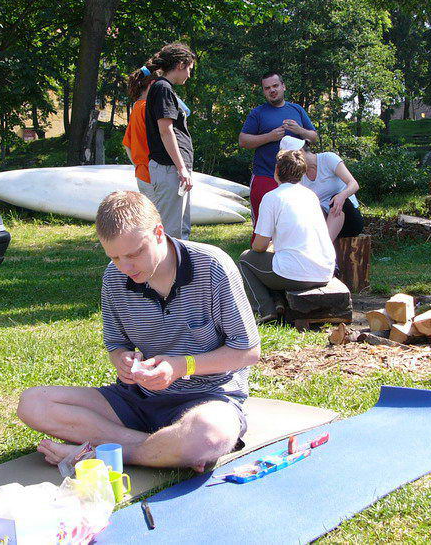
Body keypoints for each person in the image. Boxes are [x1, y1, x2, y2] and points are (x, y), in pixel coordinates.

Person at [17, 191, 260, 471]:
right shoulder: (114, 276)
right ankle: (163, 448)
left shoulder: (212, 266)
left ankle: (106, 452)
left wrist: (182, 366)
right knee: (33, 403)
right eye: (115, 257)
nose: (126, 267)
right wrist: (123, 361)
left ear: (159, 233)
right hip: (138, 399)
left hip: (210, 397)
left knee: (208, 434)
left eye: (134, 254)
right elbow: (116, 344)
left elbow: (248, 351)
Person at [237, 150, 336, 322]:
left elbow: (259, 246)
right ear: (302, 172)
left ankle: (265, 310)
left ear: (276, 170)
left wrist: (265, 247)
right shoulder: (311, 196)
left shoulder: (272, 197)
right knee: (274, 260)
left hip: (296, 274)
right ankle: (278, 303)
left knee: (247, 259)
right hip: (325, 270)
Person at [238, 72, 318, 240]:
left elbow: (314, 138)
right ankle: (259, 262)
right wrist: (270, 136)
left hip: (297, 179)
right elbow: (243, 141)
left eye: (275, 86)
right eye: (267, 88)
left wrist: (300, 131)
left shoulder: (297, 110)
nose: (272, 90)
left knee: (294, 225)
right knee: (262, 227)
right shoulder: (257, 113)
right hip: (265, 176)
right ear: (264, 91)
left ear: (283, 86)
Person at [143, 43, 197, 239]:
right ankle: (165, 269)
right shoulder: (163, 88)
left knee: (181, 231)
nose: (189, 75)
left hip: (173, 169)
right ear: (181, 64)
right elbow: (166, 131)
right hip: (169, 169)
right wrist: (181, 169)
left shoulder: (164, 89)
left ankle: (182, 269)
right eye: (189, 69)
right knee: (170, 233)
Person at [279, 136, 364, 241]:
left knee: (335, 200)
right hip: (322, 221)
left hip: (348, 219)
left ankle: (325, 246)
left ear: (300, 152)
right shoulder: (298, 174)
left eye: (291, 160)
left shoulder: (328, 158)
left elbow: (354, 184)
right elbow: (284, 192)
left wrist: (342, 196)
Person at [122, 71, 155, 200]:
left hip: (142, 175)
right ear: (152, 84)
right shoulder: (148, 108)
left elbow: (126, 144)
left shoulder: (136, 107)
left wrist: (138, 165)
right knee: (159, 218)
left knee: (148, 216)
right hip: (155, 176)